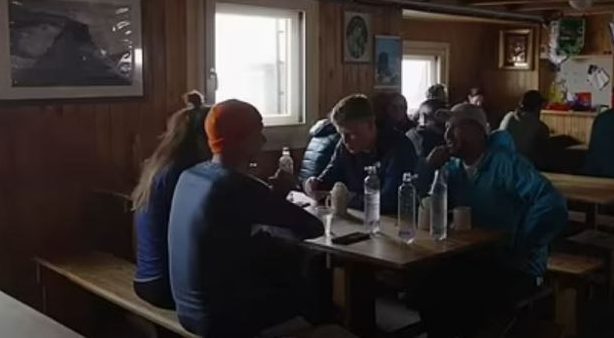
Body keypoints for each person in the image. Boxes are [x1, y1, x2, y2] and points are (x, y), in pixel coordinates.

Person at [169, 99, 325, 338]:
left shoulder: (191, 175)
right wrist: (284, 191)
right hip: (222, 318)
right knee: (313, 288)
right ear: (240, 141)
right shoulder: (234, 185)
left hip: (186, 309)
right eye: (258, 132)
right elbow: (312, 226)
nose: (263, 140)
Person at [417, 103, 568, 338]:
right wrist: (428, 168)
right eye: (445, 128)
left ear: (477, 131)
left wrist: (521, 244)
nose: (446, 135)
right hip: (473, 258)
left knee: (466, 301)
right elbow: (423, 203)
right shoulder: (453, 168)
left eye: (454, 127)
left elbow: (552, 205)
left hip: (514, 266)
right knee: (425, 289)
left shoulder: (507, 164)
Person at [131, 91, 210, 309]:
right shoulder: (187, 174)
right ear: (203, 138)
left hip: (145, 277)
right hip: (166, 286)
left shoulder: (159, 166)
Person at [303, 94, 418, 213]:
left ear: (370, 125)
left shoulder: (400, 147)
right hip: (357, 216)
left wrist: (342, 197)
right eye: (341, 134)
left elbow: (387, 202)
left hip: (391, 221)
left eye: (352, 134)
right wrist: (312, 185)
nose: (345, 141)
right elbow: (327, 181)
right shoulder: (344, 145)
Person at [499, 90, 551, 166]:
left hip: (500, 161)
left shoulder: (508, 116)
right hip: (520, 165)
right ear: (537, 107)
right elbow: (545, 149)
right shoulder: (539, 126)